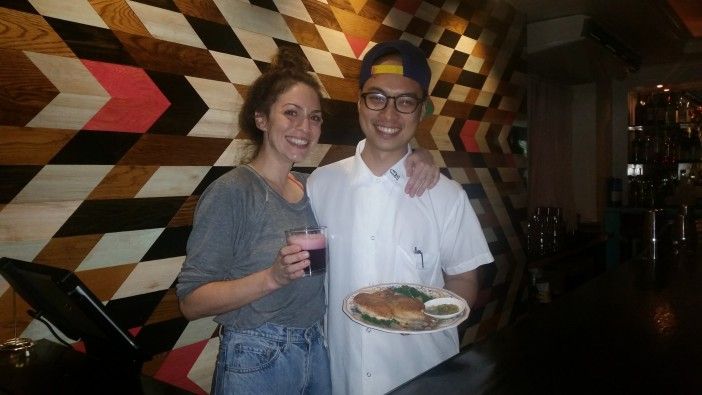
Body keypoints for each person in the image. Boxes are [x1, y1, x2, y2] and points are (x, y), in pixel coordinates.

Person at [175, 46, 439, 394]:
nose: (305, 127)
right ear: (262, 119)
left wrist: (419, 153)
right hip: (257, 355)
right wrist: (271, 278)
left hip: (317, 348)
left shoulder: (310, 186)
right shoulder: (233, 191)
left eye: (314, 117)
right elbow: (191, 301)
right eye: (291, 113)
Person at [307, 40, 495, 395]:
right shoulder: (321, 184)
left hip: (425, 375)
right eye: (376, 97)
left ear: (422, 110)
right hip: (341, 376)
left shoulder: (447, 196)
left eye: (405, 101)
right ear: (359, 102)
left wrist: (435, 317)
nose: (389, 115)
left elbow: (465, 278)